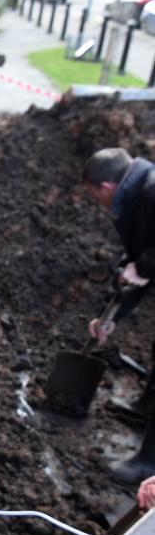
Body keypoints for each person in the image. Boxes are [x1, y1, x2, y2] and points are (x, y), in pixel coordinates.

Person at [83, 147, 155, 481]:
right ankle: (144, 409)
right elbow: (138, 268)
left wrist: (144, 265)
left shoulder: (152, 190)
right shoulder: (138, 198)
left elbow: (146, 263)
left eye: (94, 196)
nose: (98, 204)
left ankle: (149, 463)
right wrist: (111, 317)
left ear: (106, 188)